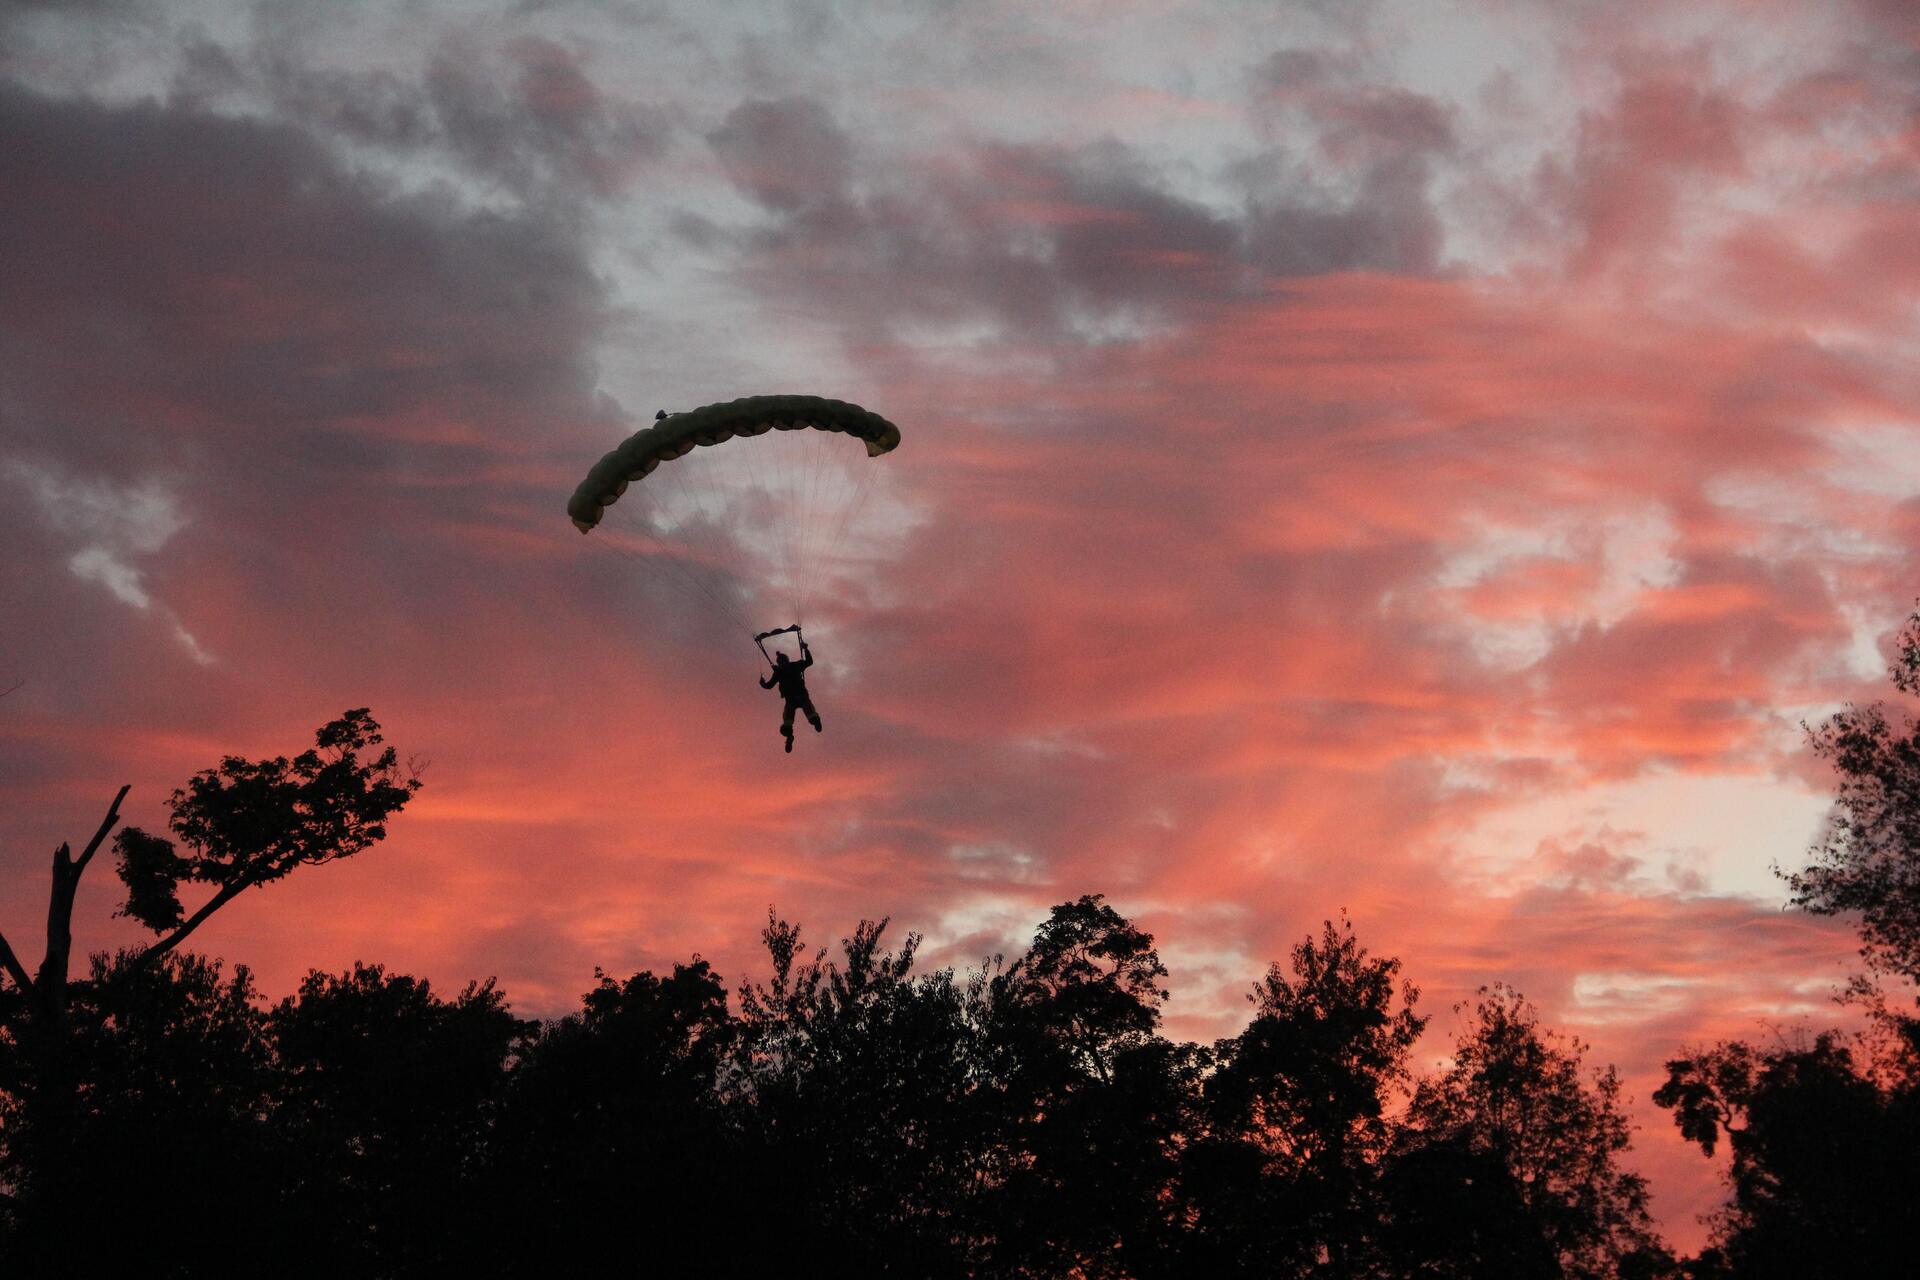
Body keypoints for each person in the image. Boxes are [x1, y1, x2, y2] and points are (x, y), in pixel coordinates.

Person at [759, 641, 821, 752]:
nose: (783, 664)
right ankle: (790, 735)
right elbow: (769, 685)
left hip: (797, 697)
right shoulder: (784, 670)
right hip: (793, 698)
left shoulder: (789, 668)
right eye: (782, 663)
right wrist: (763, 683)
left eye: (783, 662)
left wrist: (806, 649)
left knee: (805, 711)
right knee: (789, 720)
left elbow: (809, 661)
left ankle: (814, 721)